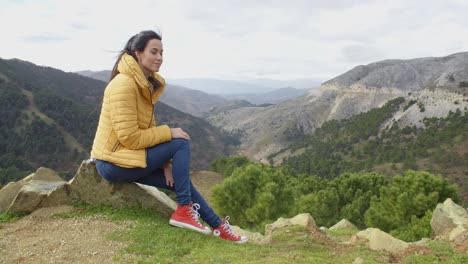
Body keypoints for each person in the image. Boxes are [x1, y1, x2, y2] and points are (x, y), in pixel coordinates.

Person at [91, 30, 247, 243]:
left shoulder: (143, 84)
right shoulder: (124, 84)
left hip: (126, 158)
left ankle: (218, 227)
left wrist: (165, 164)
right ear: (138, 53)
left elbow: (147, 128)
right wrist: (169, 132)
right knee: (180, 142)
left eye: (162, 53)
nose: (159, 58)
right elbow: (130, 137)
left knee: (179, 182)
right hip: (113, 162)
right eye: (153, 52)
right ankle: (183, 211)